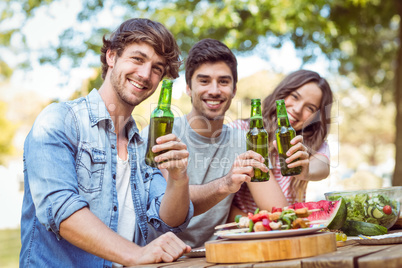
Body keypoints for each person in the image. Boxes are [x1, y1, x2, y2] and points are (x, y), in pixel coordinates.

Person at [20, 18, 194, 267]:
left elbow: (168, 221)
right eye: (137, 59)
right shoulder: (59, 121)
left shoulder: (142, 142)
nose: (145, 74)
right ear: (112, 57)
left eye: (157, 68)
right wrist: (136, 254)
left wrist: (178, 178)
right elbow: (60, 210)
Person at [142, 39, 308, 248]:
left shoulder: (244, 141)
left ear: (234, 89)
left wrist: (301, 169)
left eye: (223, 82)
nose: (214, 90)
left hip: (216, 256)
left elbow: (280, 211)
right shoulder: (162, 132)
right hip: (161, 257)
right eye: (204, 81)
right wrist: (225, 183)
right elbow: (167, 201)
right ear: (188, 88)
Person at [229, 69, 333, 216]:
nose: (297, 109)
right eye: (295, 97)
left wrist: (306, 172)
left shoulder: (311, 142)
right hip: (248, 229)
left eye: (310, 108)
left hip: (287, 228)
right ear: (282, 93)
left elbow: (322, 166)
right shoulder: (241, 130)